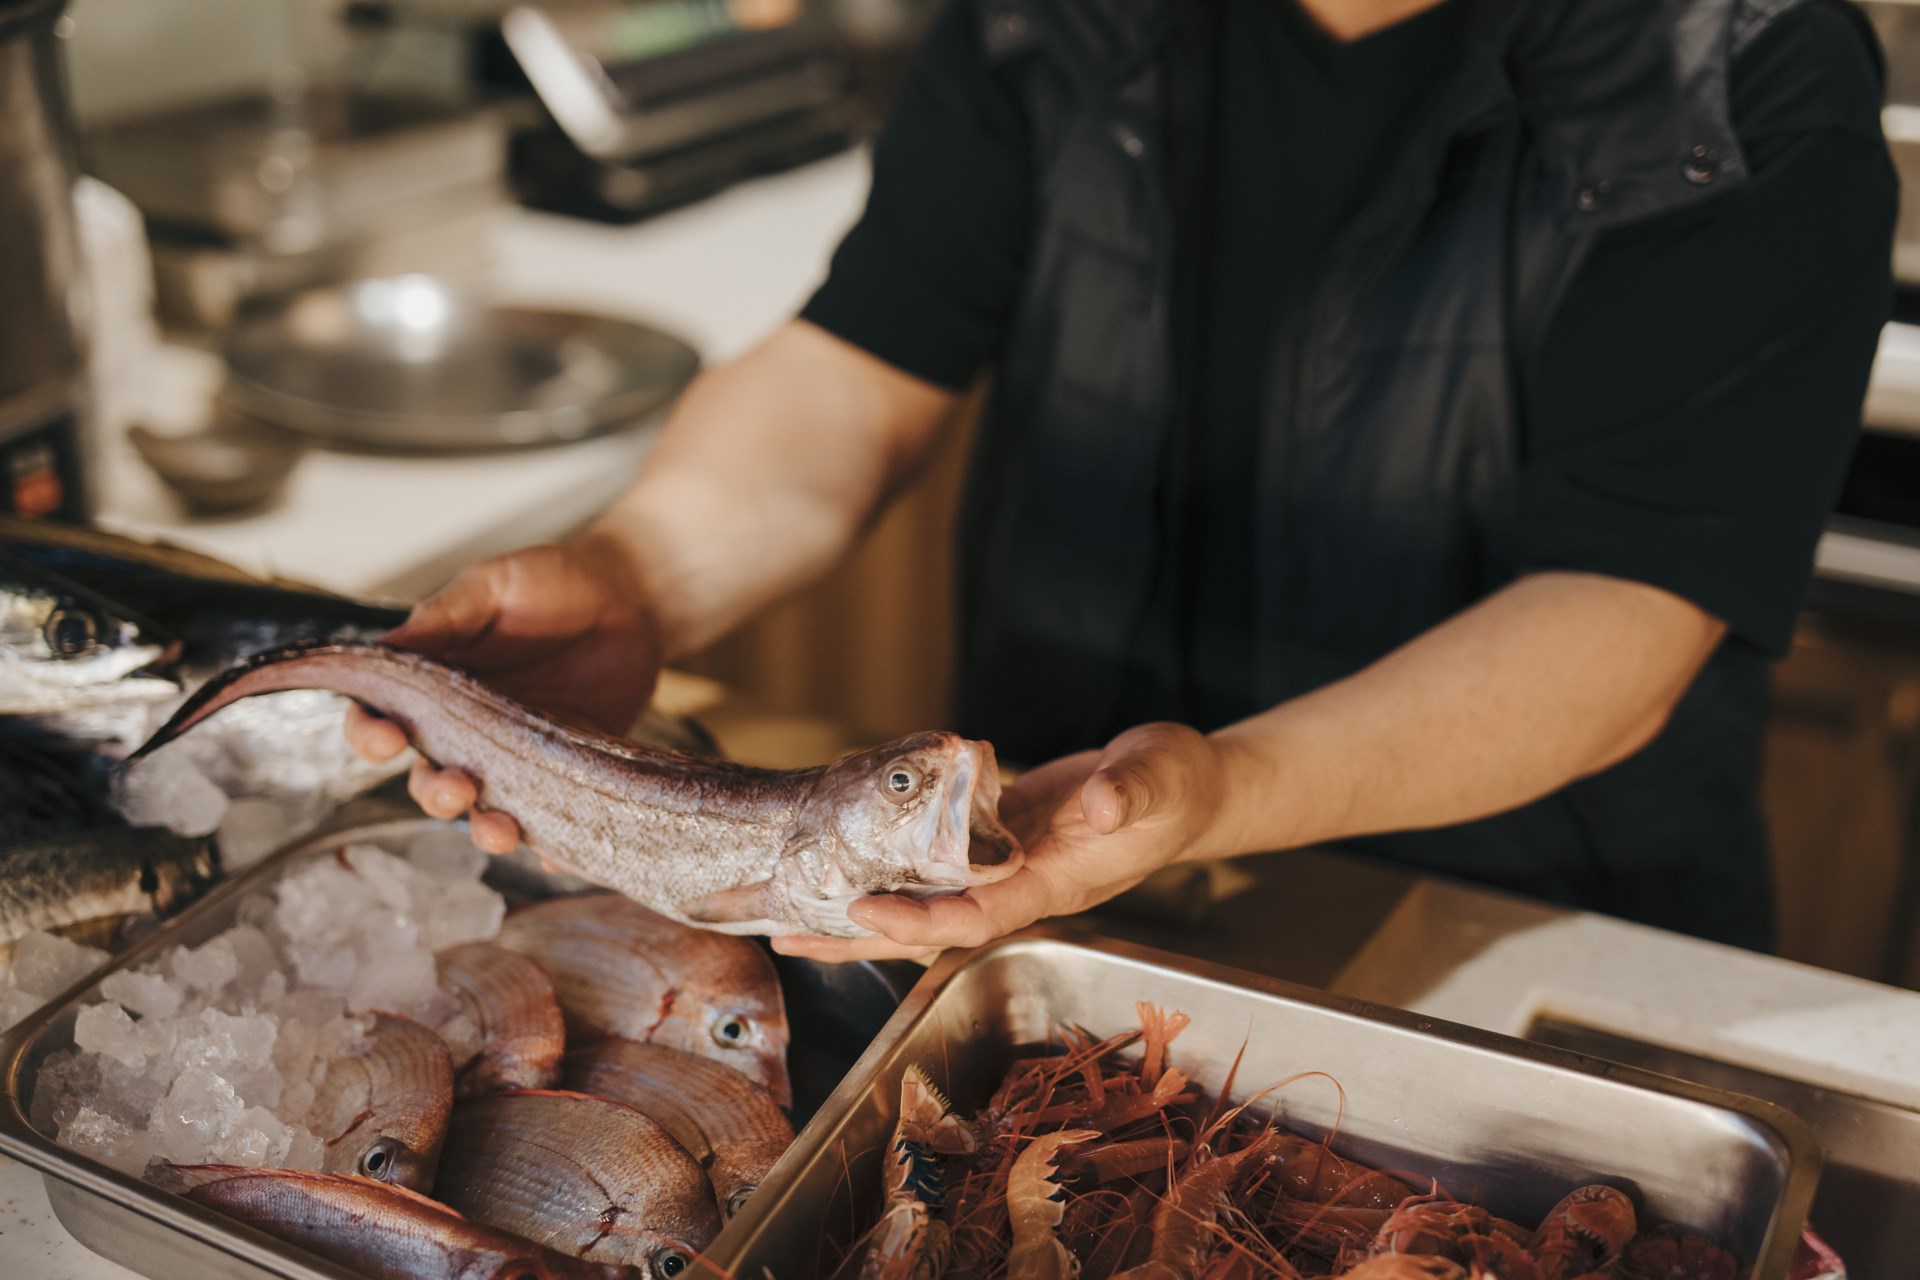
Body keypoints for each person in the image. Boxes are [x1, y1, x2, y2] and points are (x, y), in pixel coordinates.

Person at [351, 0, 1895, 962]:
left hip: (1505, 929)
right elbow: (858, 368)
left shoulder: (1739, 71)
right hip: (1046, 870)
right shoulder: (1049, 20)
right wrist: (642, 573)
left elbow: (1622, 614)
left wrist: (1218, 791)